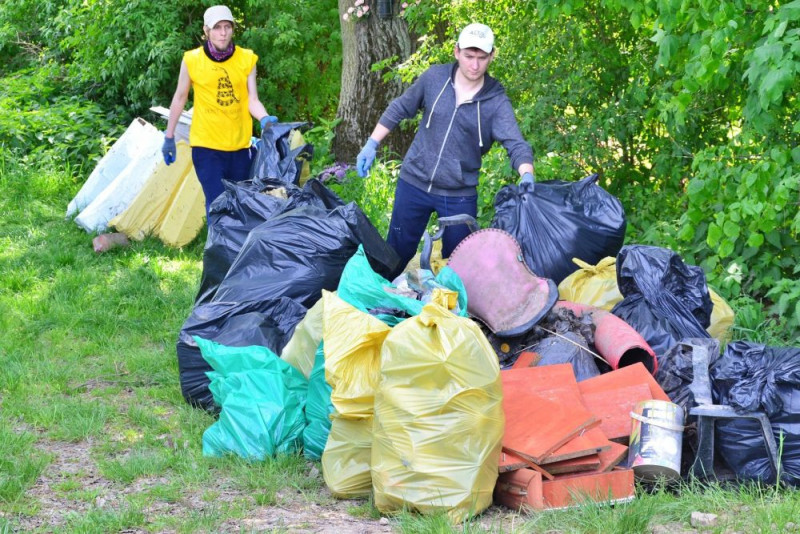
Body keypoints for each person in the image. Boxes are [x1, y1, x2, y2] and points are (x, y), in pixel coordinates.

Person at [356, 22, 535, 277]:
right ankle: (380, 304)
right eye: (469, 56)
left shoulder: (496, 101)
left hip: (458, 194)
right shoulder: (434, 78)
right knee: (395, 253)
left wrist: (526, 174)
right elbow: (400, 108)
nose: (475, 65)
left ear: (492, 55)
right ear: (456, 52)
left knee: (458, 265)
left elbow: (516, 144)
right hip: (413, 183)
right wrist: (372, 143)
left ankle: (449, 314)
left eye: (482, 58)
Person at [162, 5, 278, 217]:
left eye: (227, 27)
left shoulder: (246, 59)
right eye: (217, 28)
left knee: (240, 204)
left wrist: (265, 119)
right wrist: (169, 136)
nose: (223, 33)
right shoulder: (192, 60)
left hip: (241, 147)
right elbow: (180, 97)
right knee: (217, 203)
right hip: (207, 147)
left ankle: (237, 249)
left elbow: (252, 99)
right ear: (206, 31)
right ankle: (217, 248)